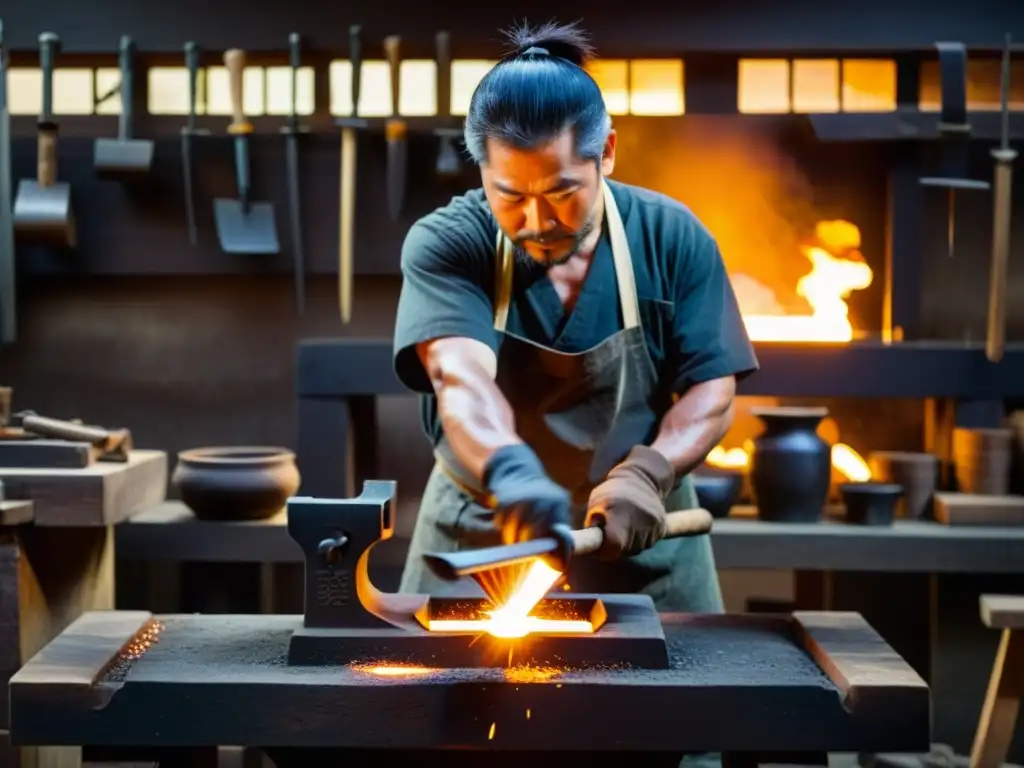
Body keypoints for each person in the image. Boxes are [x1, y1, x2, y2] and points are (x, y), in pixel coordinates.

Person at [393, 20, 757, 617]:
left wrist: (650, 471)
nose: (537, 220)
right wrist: (509, 469)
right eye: (510, 195)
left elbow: (712, 389)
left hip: (639, 529)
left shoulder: (671, 237)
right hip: (486, 531)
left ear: (606, 152)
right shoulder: (449, 243)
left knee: (677, 704)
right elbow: (459, 379)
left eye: (563, 192)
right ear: (481, 168)